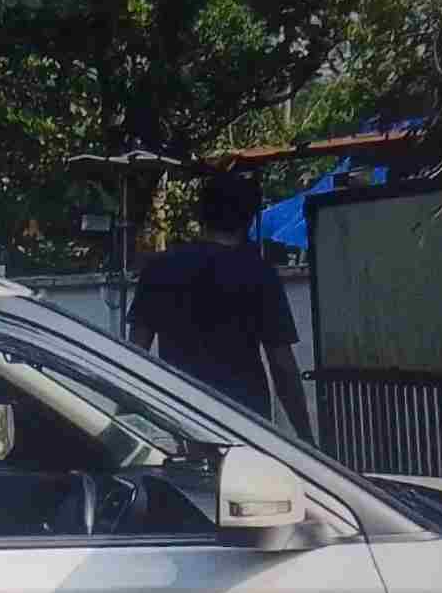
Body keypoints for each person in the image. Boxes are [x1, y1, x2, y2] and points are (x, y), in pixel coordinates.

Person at [128, 173, 314, 443]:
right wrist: (305, 438)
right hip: (245, 420)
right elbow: (282, 365)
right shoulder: (258, 273)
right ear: (248, 219)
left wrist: (125, 417)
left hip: (182, 416)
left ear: (201, 215)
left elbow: (136, 352)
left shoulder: (159, 268)